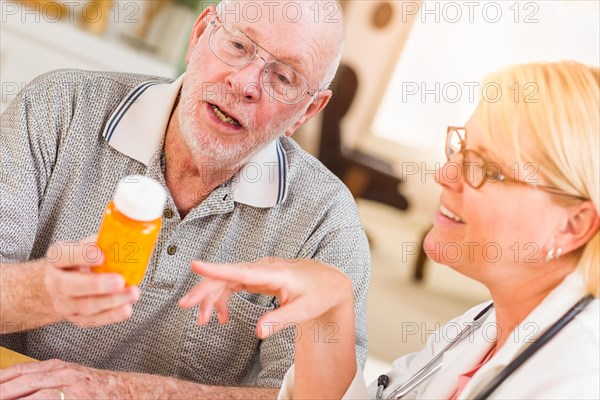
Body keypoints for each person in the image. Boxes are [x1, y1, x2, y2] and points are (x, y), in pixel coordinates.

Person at [0, 1, 371, 398]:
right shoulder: (57, 109)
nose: (245, 84)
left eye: (283, 76)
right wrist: (41, 291)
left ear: (308, 110)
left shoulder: (327, 223)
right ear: (199, 35)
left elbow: (308, 397)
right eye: (239, 45)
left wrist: (120, 391)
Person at [175, 60, 600, 399]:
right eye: (462, 148)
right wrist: (331, 311)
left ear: (573, 225)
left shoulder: (578, 378)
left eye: (486, 168)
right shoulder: (480, 325)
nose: (445, 174)